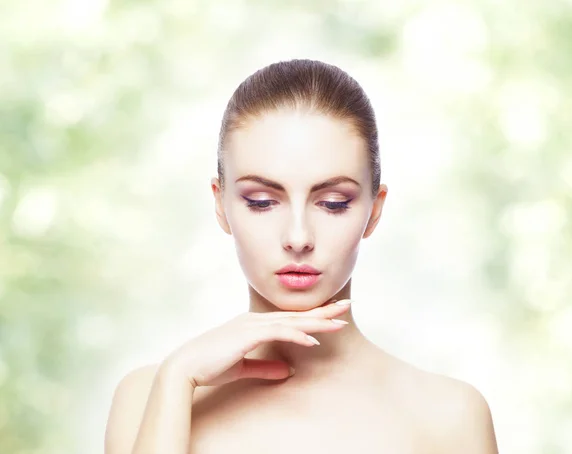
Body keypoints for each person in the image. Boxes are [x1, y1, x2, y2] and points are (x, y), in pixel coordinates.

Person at [104, 59, 499, 453]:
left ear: (373, 211)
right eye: (261, 202)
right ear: (221, 205)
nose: (298, 237)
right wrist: (179, 377)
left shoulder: (450, 417)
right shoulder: (152, 396)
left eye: (332, 203)